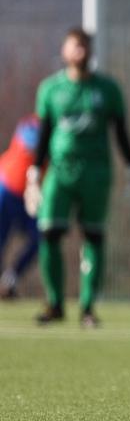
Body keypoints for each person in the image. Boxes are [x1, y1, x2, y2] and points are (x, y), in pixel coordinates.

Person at [25, 27, 130, 327]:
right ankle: (55, 304)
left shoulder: (106, 90)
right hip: (60, 173)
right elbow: (45, 133)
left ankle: (88, 308)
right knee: (50, 232)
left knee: (93, 236)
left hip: (96, 173)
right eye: (75, 45)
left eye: (85, 46)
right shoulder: (50, 89)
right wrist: (34, 172)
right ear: (64, 50)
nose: (81, 51)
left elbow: (121, 131)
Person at [0, 114, 42, 300]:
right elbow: (32, 143)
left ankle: (11, 279)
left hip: (30, 197)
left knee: (40, 238)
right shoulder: (31, 123)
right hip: (6, 188)